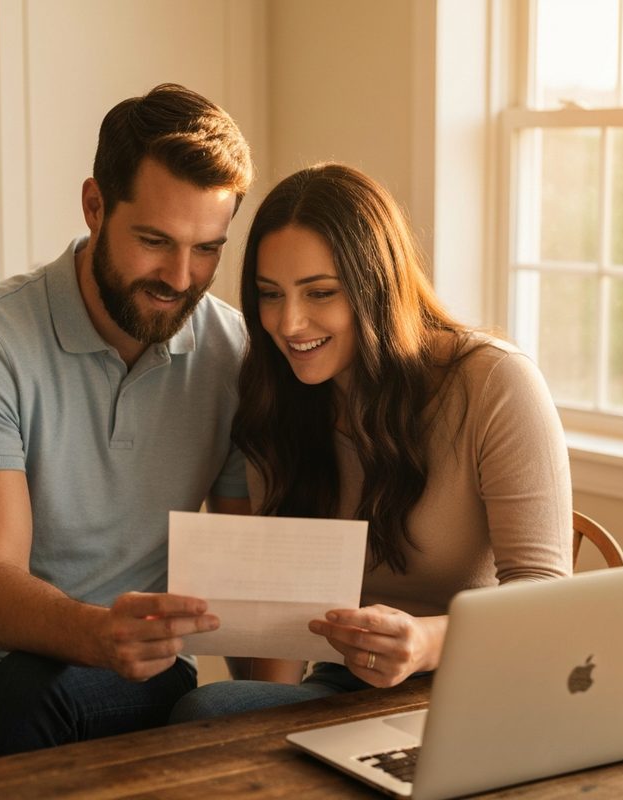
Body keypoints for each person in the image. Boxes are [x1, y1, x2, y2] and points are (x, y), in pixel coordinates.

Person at [0, 83, 255, 771]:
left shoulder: (232, 354)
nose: (181, 278)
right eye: (154, 241)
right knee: (34, 693)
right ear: (94, 206)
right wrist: (98, 632)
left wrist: (275, 712)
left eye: (208, 249)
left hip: (139, 680)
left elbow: (244, 565)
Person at [169, 162, 573, 722]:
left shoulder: (493, 382)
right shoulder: (275, 396)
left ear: (377, 287)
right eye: (270, 294)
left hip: (484, 680)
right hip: (350, 686)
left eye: (320, 293)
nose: (289, 324)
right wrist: (260, 715)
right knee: (212, 711)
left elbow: (546, 599)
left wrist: (425, 643)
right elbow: (287, 627)